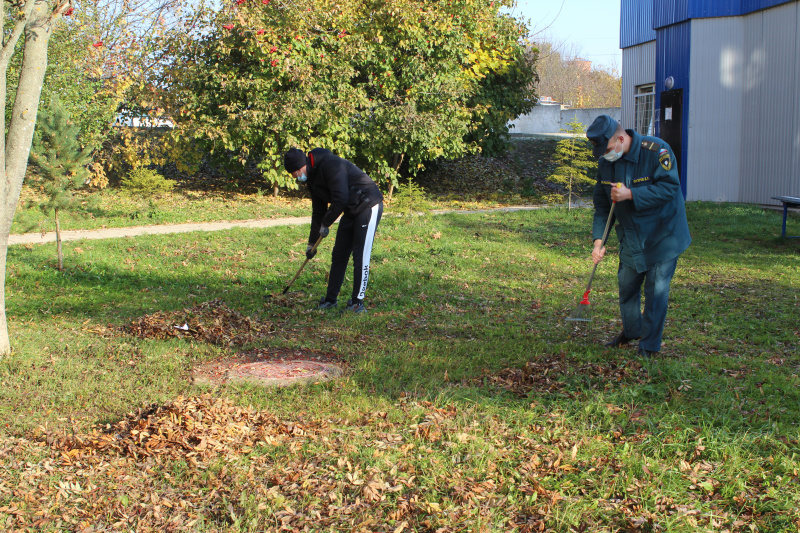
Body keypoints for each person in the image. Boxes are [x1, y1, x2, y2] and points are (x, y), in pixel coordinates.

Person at [585, 115, 691, 357]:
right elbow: (603, 206)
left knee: (656, 292)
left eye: (609, 149)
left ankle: (649, 346)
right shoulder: (606, 164)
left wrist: (631, 195)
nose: (606, 155)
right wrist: (599, 241)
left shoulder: (656, 151)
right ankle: (632, 332)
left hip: (663, 236)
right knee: (627, 285)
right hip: (632, 237)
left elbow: (669, 188)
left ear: (622, 139)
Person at [283, 147, 384, 313]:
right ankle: (331, 299)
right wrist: (311, 243)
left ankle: (357, 303)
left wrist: (326, 224)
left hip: (368, 204)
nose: (296, 177)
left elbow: (340, 198)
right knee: (339, 254)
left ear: (302, 166)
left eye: (296, 172)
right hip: (350, 210)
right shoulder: (311, 178)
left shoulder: (331, 165)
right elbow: (318, 211)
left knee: (361, 256)